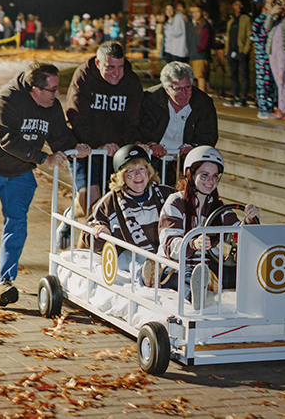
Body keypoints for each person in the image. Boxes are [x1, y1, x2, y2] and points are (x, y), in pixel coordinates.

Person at [0, 63, 91, 306]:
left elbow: (60, 136)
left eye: (57, 89)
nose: (56, 95)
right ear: (34, 89)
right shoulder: (7, 99)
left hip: (19, 173)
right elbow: (7, 140)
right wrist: (44, 158)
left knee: (17, 221)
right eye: (52, 90)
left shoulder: (51, 107)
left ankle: (5, 282)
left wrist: (77, 148)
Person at [57, 42, 144, 248]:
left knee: (105, 204)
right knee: (91, 200)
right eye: (110, 67)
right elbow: (76, 117)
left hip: (114, 152)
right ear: (98, 63)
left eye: (120, 67)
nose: (116, 73)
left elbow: (133, 119)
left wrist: (132, 143)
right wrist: (98, 144)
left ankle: (70, 215)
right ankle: (84, 252)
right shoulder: (84, 77)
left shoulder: (131, 82)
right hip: (87, 149)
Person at [154, 146, 260, 310]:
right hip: (178, 266)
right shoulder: (175, 202)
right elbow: (169, 243)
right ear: (190, 175)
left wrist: (249, 220)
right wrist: (193, 244)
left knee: (247, 276)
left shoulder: (218, 206)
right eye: (204, 176)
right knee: (184, 279)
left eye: (215, 176)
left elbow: (236, 234)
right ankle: (197, 296)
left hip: (210, 266)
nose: (211, 182)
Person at [83, 145, 174, 282]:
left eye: (142, 169)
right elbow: (90, 230)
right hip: (127, 255)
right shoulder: (110, 201)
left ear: (148, 172)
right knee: (131, 258)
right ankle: (145, 277)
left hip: (160, 253)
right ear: (121, 177)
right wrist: (100, 231)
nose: (138, 175)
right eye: (131, 171)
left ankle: (188, 281)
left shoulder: (165, 194)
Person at [139, 61, 218, 168]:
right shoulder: (149, 100)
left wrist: (194, 147)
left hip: (186, 162)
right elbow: (141, 128)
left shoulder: (203, 103)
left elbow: (209, 134)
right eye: (178, 89)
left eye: (187, 87)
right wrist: (151, 144)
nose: (184, 94)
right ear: (167, 89)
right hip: (152, 161)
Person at [250, 0, 277, 119]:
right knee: (263, 82)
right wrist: (264, 38)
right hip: (262, 55)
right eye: (268, 3)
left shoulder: (277, 20)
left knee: (272, 82)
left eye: (273, 3)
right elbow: (253, 36)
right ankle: (262, 108)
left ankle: (270, 107)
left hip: (274, 55)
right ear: (265, 5)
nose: (271, 5)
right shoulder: (260, 19)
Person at [224, 0, 252, 108]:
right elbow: (228, 36)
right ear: (233, 6)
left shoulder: (246, 19)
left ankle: (243, 97)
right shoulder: (231, 21)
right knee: (233, 75)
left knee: (244, 74)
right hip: (231, 51)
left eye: (241, 5)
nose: (239, 7)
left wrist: (245, 51)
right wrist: (227, 51)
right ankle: (235, 96)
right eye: (236, 5)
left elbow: (249, 35)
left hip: (241, 51)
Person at [188, 5, 212, 93]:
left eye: (197, 12)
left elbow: (205, 41)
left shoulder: (204, 25)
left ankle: (202, 97)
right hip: (194, 55)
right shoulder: (196, 25)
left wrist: (199, 49)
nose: (194, 14)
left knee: (200, 77)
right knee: (196, 77)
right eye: (193, 12)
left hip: (200, 55)